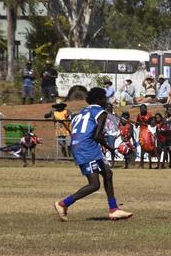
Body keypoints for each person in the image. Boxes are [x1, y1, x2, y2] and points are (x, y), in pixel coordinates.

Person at [53, 87, 133, 222]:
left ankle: (113, 209)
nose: (107, 100)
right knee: (94, 184)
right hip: (87, 147)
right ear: (99, 99)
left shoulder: (82, 111)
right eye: (104, 97)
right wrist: (110, 148)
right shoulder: (100, 112)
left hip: (79, 145)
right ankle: (63, 204)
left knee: (108, 173)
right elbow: (97, 136)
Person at [136, 105, 154, 169]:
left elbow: (152, 123)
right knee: (142, 149)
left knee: (149, 149)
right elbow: (136, 124)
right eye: (141, 109)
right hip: (142, 134)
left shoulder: (150, 114)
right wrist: (137, 123)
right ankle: (142, 165)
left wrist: (145, 122)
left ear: (146, 109)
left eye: (144, 108)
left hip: (148, 133)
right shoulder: (139, 115)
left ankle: (150, 165)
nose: (142, 110)